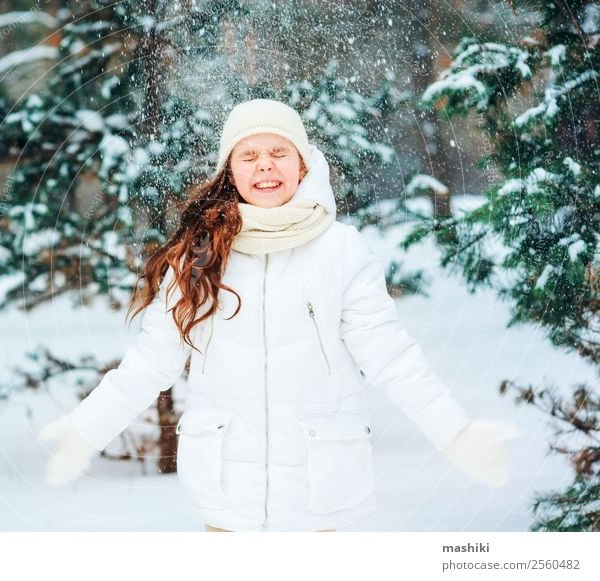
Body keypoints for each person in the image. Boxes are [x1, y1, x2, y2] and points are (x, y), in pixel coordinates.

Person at [37, 98, 520, 532]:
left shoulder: (341, 250)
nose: (264, 166)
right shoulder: (198, 255)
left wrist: (458, 434)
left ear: (302, 163)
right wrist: (85, 432)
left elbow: (391, 357)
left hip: (320, 488)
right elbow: (150, 362)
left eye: (279, 152)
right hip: (226, 491)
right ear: (230, 170)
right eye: (248, 155)